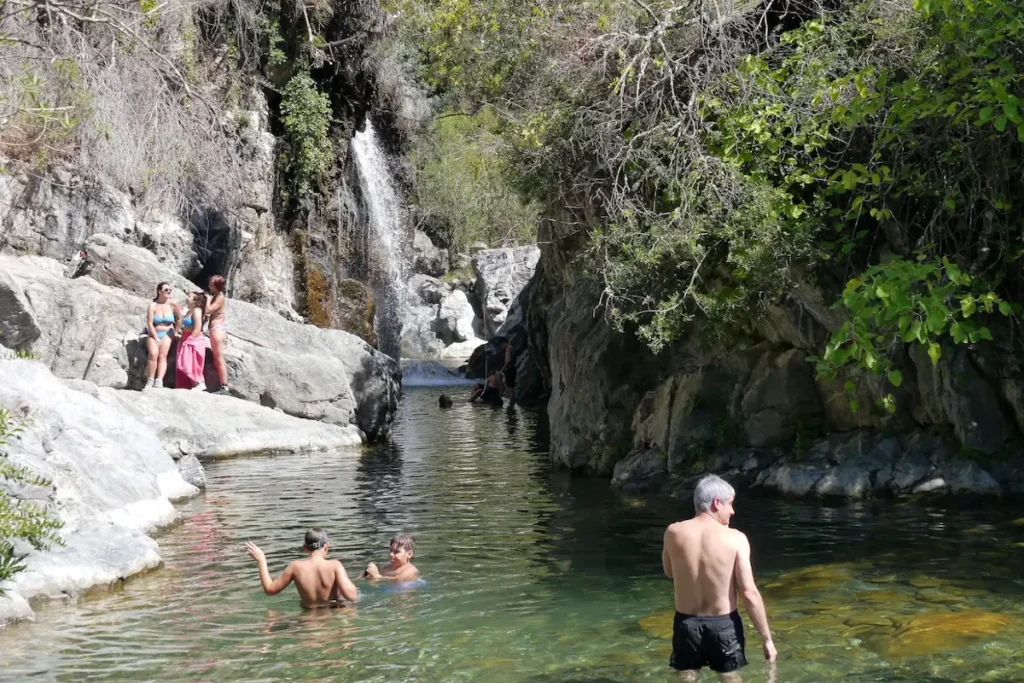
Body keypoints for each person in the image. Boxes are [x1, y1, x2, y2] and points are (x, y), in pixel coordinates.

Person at [662, 474, 776, 681]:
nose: (732, 511)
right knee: (729, 677)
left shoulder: (673, 532)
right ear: (716, 503)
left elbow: (669, 572)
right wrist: (767, 638)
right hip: (723, 626)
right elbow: (749, 593)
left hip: (686, 624)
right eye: (730, 504)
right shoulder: (736, 539)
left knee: (686, 677)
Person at [244, 528, 358, 608]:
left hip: (307, 619)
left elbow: (269, 590)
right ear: (326, 547)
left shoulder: (295, 567)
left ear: (305, 548)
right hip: (332, 617)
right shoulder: (335, 565)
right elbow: (352, 596)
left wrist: (261, 560)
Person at [142, 282, 180, 391]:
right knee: (153, 354)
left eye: (170, 290)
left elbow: (179, 319)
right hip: (155, 332)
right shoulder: (153, 305)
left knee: (163, 356)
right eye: (166, 290)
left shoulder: (173, 304)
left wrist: (176, 332)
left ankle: (159, 380)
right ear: (159, 291)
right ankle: (150, 379)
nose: (168, 292)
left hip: (168, 332)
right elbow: (150, 323)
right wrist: (156, 337)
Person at [175, 288, 208, 391]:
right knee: (182, 363)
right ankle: (190, 385)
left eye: (189, 296)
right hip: (185, 338)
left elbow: (198, 327)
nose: (187, 298)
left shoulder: (197, 311)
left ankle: (198, 382)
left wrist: (191, 339)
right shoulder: (190, 310)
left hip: (193, 340)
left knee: (189, 363)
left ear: (195, 300)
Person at [205, 275, 230, 395]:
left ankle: (224, 387)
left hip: (217, 329)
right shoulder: (216, 296)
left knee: (219, 359)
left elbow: (209, 310)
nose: (209, 286)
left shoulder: (219, 297)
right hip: (215, 329)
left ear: (216, 286)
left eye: (211, 285)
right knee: (216, 359)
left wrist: (208, 299)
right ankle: (221, 385)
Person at [500, 339, 517, 407]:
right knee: (511, 386)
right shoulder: (513, 348)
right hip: (514, 368)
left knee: (509, 387)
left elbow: (508, 360)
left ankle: (511, 403)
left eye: (501, 345)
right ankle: (512, 402)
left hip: (509, 369)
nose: (501, 347)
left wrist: (502, 369)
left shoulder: (508, 349)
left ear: (504, 343)